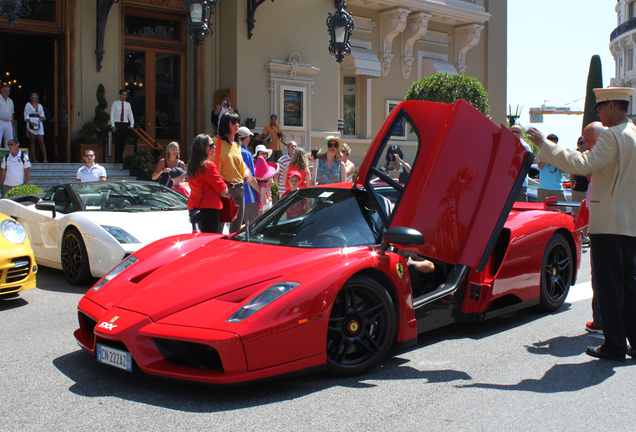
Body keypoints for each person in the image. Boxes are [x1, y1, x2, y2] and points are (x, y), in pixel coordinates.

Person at [527, 87, 636, 362]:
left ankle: (614, 345)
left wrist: (546, 145)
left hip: (608, 222)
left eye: (600, 108)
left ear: (612, 106)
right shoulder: (633, 133)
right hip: (629, 222)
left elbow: (583, 163)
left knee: (610, 286)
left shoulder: (612, 136)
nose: (598, 112)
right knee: (629, 285)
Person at [581, 121, 608, 335]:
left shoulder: (604, 156)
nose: (585, 143)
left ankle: (601, 321)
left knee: (601, 274)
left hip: (606, 224)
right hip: (603, 220)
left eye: (588, 139)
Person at [213, 112, 256, 234]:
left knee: (236, 227)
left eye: (238, 122)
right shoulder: (216, 141)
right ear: (225, 125)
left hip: (240, 188)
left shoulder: (237, 145)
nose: (237, 125)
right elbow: (210, 165)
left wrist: (248, 174)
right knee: (219, 226)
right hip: (225, 188)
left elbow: (241, 165)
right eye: (233, 122)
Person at [186, 134, 228, 233]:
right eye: (211, 145)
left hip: (195, 206)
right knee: (209, 241)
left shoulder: (193, 165)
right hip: (208, 209)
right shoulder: (208, 165)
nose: (214, 147)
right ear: (202, 148)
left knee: (199, 240)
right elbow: (223, 191)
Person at [237, 126, 261, 224]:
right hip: (248, 197)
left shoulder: (232, 151)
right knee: (251, 227)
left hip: (235, 195)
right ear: (247, 138)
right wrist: (260, 191)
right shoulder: (246, 153)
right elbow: (250, 178)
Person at [571, 136, 590, 243]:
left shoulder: (590, 154)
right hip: (577, 189)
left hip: (589, 189)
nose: (582, 145)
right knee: (576, 214)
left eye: (584, 143)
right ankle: (578, 235)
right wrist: (573, 185)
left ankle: (586, 236)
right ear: (578, 144)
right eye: (580, 143)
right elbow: (572, 174)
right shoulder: (575, 155)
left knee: (587, 214)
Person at [537, 134, 566, 203]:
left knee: (561, 209)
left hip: (557, 188)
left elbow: (563, 170)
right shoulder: (542, 152)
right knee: (542, 210)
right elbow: (540, 166)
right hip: (543, 187)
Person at [110, 89, 134, 163]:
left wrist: (131, 124)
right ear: (120, 95)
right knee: (117, 142)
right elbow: (112, 114)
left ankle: (120, 158)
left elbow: (130, 114)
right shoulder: (115, 103)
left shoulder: (128, 104)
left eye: (125, 95)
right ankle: (117, 158)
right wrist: (112, 125)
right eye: (123, 95)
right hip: (117, 123)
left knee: (123, 142)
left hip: (124, 124)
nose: (124, 96)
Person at [510, 124, 532, 201]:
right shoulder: (507, 144)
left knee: (522, 205)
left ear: (521, 133)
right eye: (512, 131)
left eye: (517, 131)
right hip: (509, 181)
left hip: (521, 182)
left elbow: (528, 163)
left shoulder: (525, 146)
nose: (514, 133)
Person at [24, 92, 47, 163]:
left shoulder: (40, 106)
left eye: (36, 97)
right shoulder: (28, 105)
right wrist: (31, 123)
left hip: (39, 123)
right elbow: (26, 115)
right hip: (31, 122)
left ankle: (45, 158)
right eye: (33, 97)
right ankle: (33, 159)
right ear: (30, 98)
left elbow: (42, 114)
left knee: (41, 141)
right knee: (32, 141)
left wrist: (39, 121)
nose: (34, 98)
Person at [0, 84, 14, 148]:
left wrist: (12, 125)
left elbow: (12, 114)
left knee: (9, 141)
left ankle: (8, 157)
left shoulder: (10, 101)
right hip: (0, 121)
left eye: (8, 90)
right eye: (6, 90)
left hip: (8, 122)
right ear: (1, 90)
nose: (7, 92)